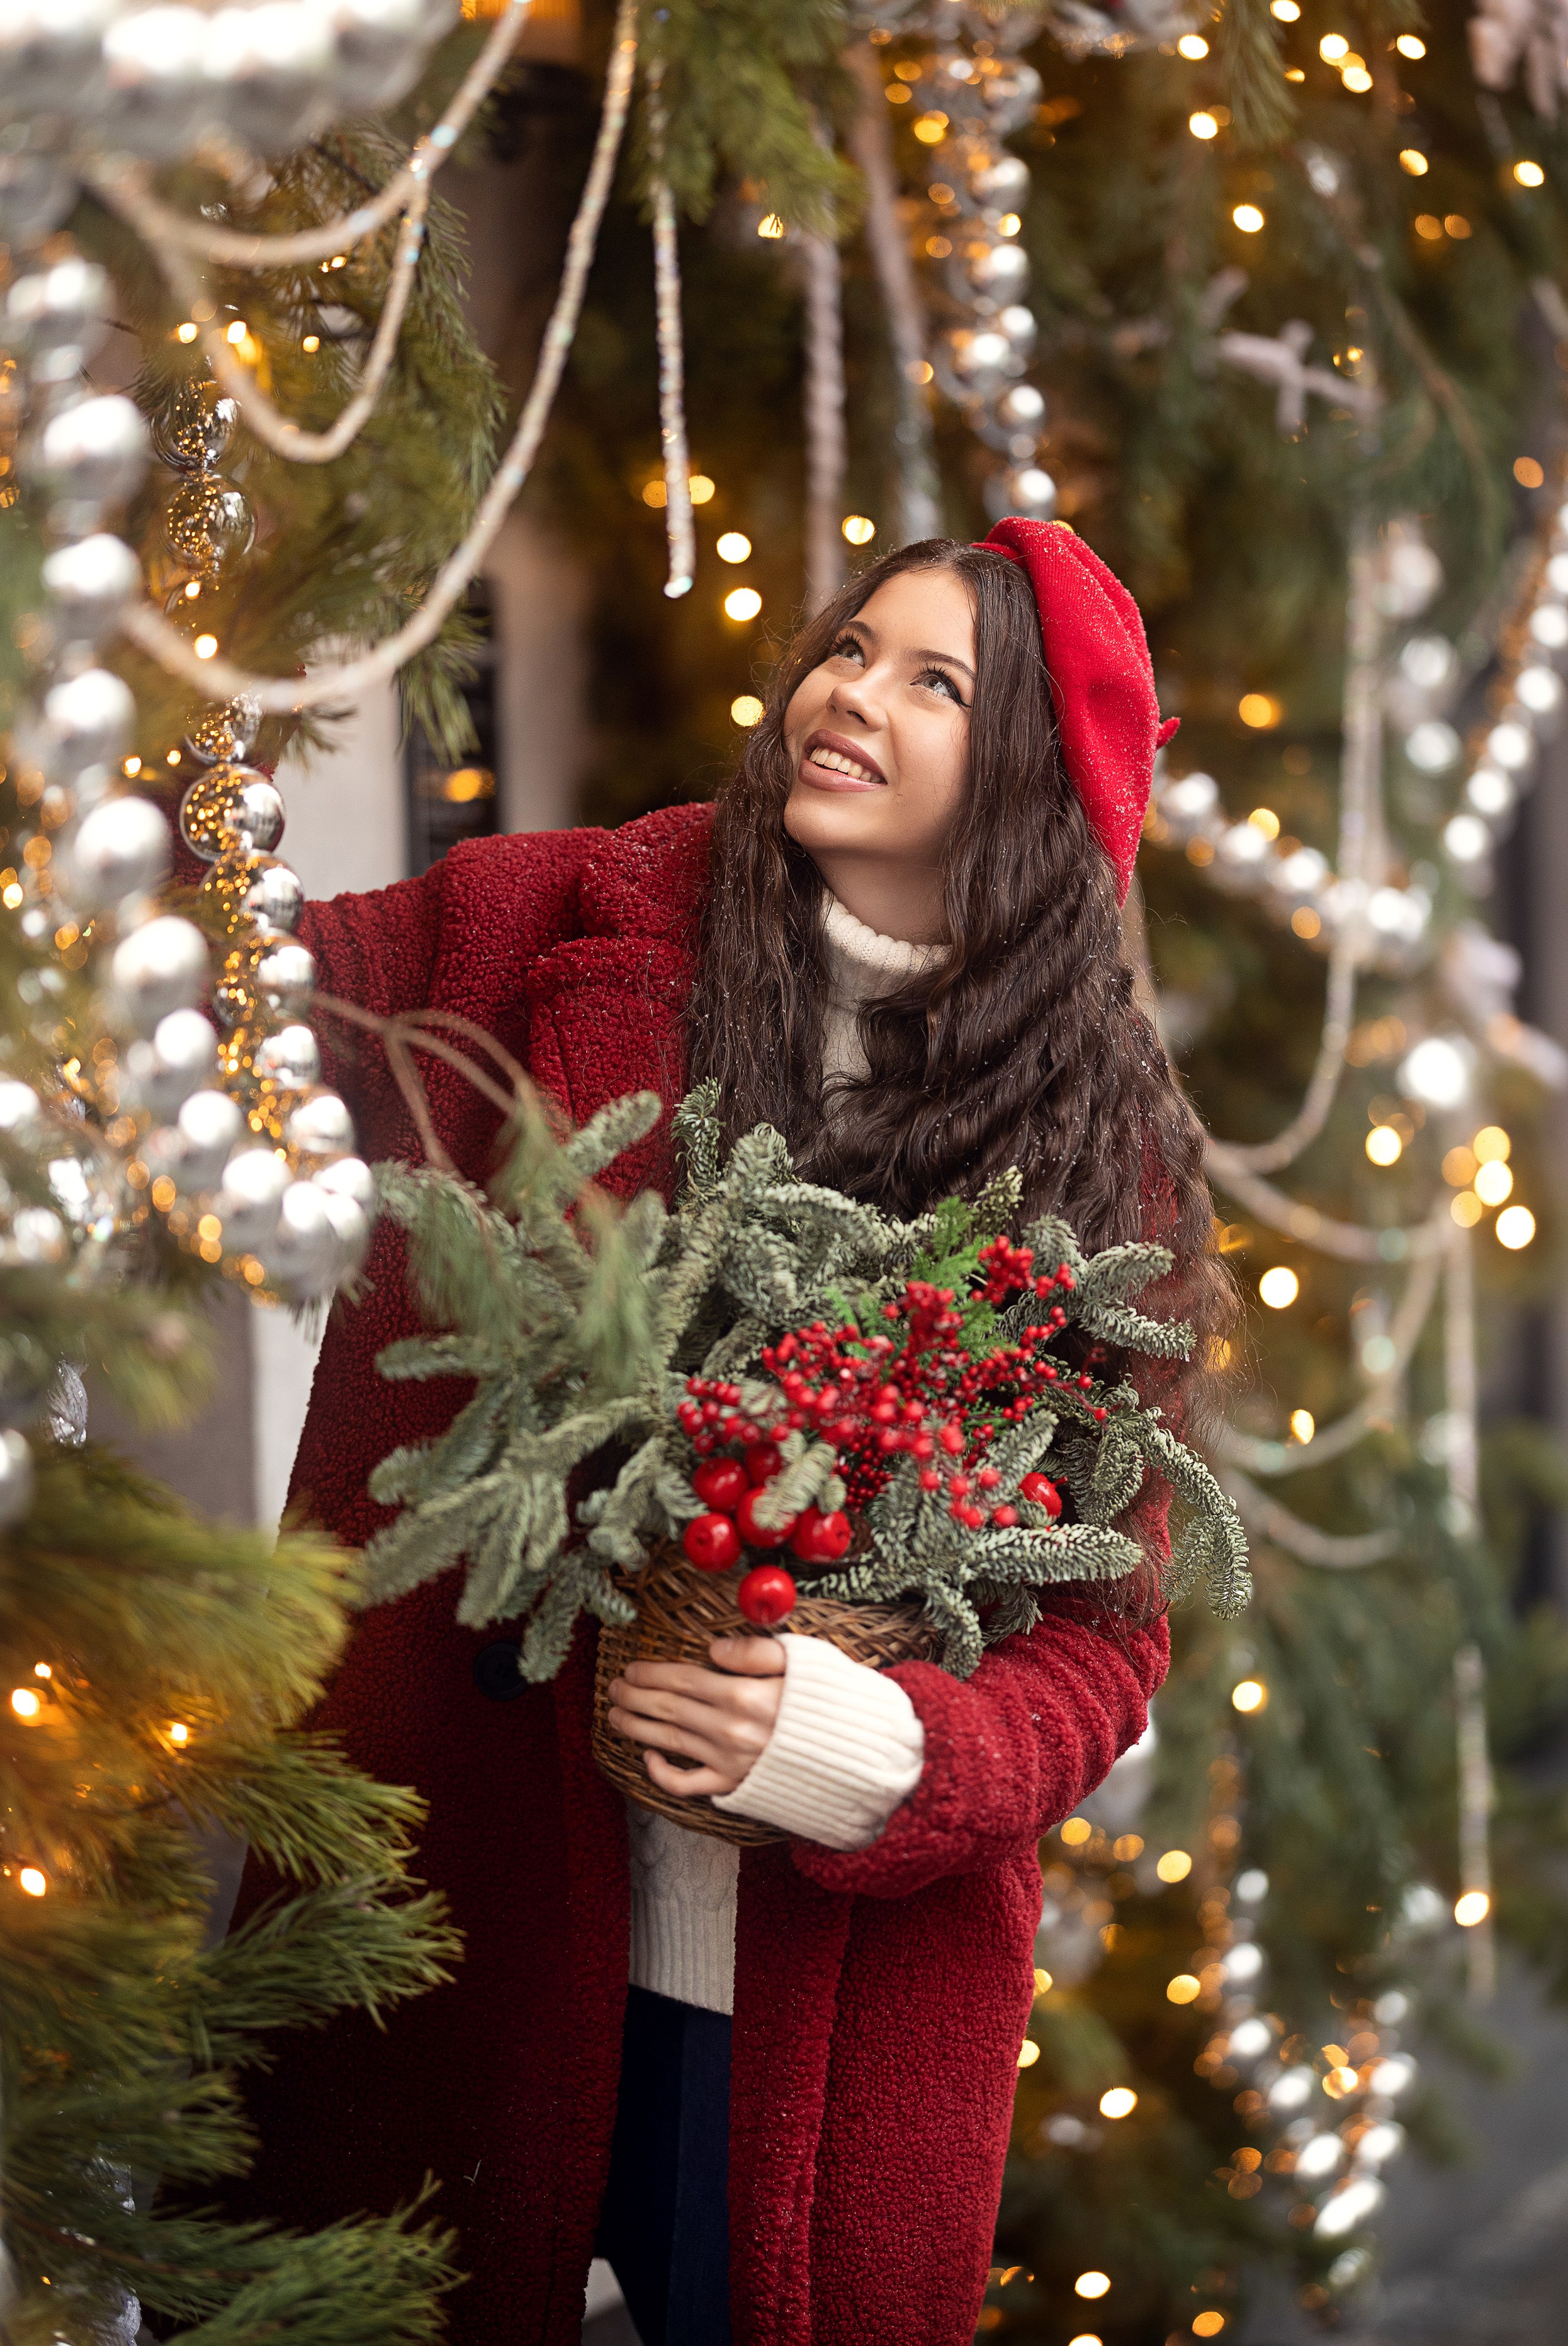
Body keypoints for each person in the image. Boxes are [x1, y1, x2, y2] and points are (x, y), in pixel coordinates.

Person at [230, 520, 1230, 2346]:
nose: (851, 694)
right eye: (852, 647)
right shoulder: (561, 925)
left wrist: (879, 1753)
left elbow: (1105, 1648)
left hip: (825, 2032)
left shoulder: (1099, 1163)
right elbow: (245, 992)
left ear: (1028, 784)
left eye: (937, 682)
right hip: (465, 1927)